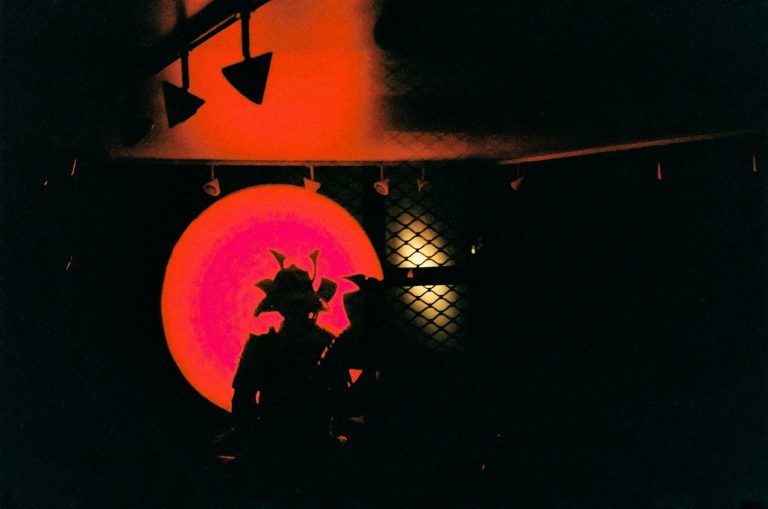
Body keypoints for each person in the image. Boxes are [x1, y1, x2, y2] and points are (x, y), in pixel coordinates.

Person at [230, 249, 350, 504]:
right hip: (304, 442)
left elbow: (243, 400)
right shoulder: (326, 343)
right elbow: (342, 397)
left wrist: (253, 439)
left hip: (283, 441)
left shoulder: (261, 346)